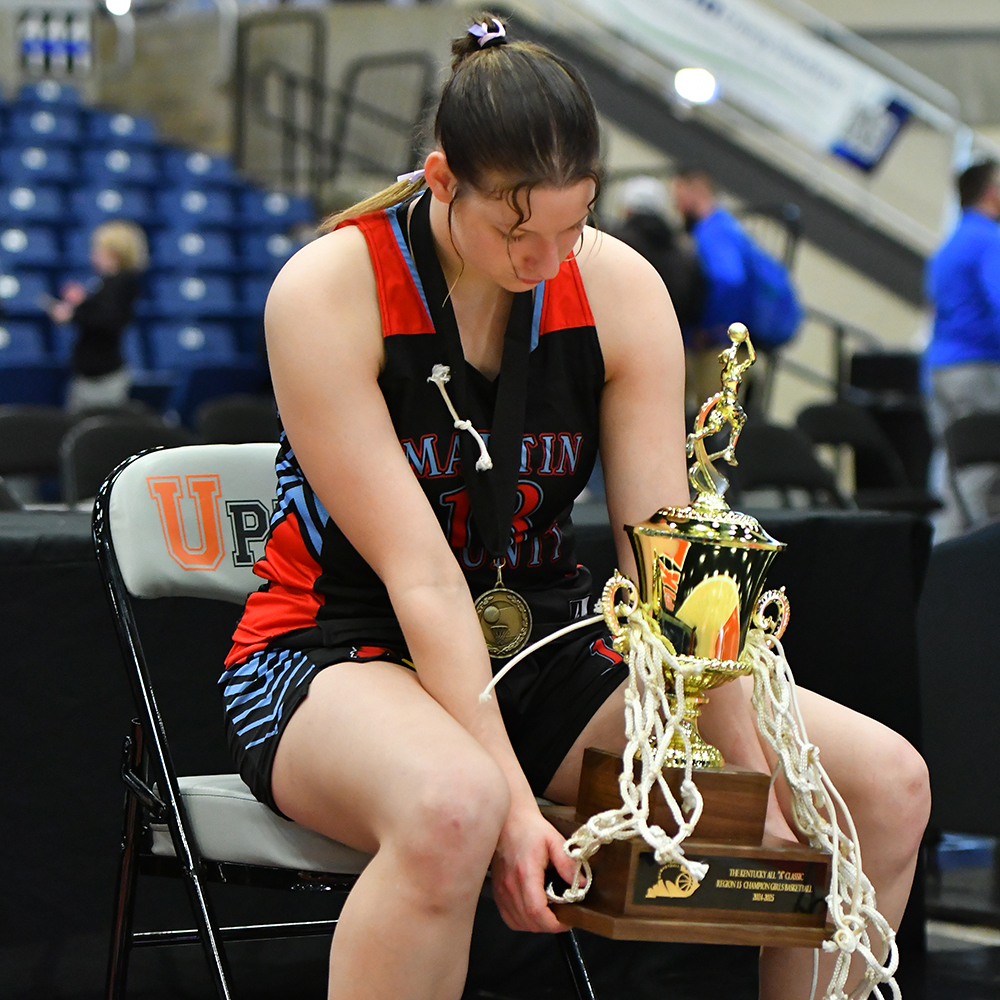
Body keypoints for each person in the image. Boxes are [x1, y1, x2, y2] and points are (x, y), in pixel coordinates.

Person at [220, 16, 928, 1000]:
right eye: (517, 230)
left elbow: (669, 549)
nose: (547, 259)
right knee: (456, 807)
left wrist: (748, 769)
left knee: (879, 788)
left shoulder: (616, 282)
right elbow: (422, 576)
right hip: (342, 644)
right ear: (440, 181)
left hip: (537, 641)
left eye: (573, 222)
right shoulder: (327, 291)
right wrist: (514, 805)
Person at [671, 165, 800, 410]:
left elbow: (729, 279)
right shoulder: (727, 228)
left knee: (711, 420)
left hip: (718, 346)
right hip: (728, 343)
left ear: (696, 190)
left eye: (678, 196)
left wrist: (708, 329)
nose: (677, 206)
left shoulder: (713, 230)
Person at [925, 158, 1000, 533]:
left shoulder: (950, 244)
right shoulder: (989, 239)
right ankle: (973, 558)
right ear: (992, 193)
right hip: (978, 370)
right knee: (983, 466)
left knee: (950, 465)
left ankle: (941, 555)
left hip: (942, 368)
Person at [45, 219, 147, 413]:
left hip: (102, 377)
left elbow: (107, 319)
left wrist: (72, 314)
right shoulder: (107, 284)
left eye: (97, 249)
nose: (93, 254)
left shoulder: (120, 284)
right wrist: (82, 302)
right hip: (90, 373)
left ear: (113, 252)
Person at [611, 174, 705, 330]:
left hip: (617, 333)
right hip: (667, 337)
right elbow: (693, 302)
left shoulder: (614, 244)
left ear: (627, 209)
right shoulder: (682, 251)